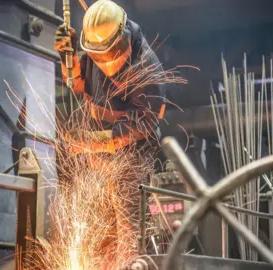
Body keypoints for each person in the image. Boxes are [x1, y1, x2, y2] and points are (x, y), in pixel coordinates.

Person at [54, 0, 166, 264]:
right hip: (99, 156)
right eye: (97, 56)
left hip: (133, 157)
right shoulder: (95, 50)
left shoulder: (148, 68)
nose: (104, 63)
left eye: (108, 55)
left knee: (128, 230)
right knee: (96, 227)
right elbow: (79, 86)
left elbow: (144, 124)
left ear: (124, 38)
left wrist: (97, 142)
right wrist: (66, 56)